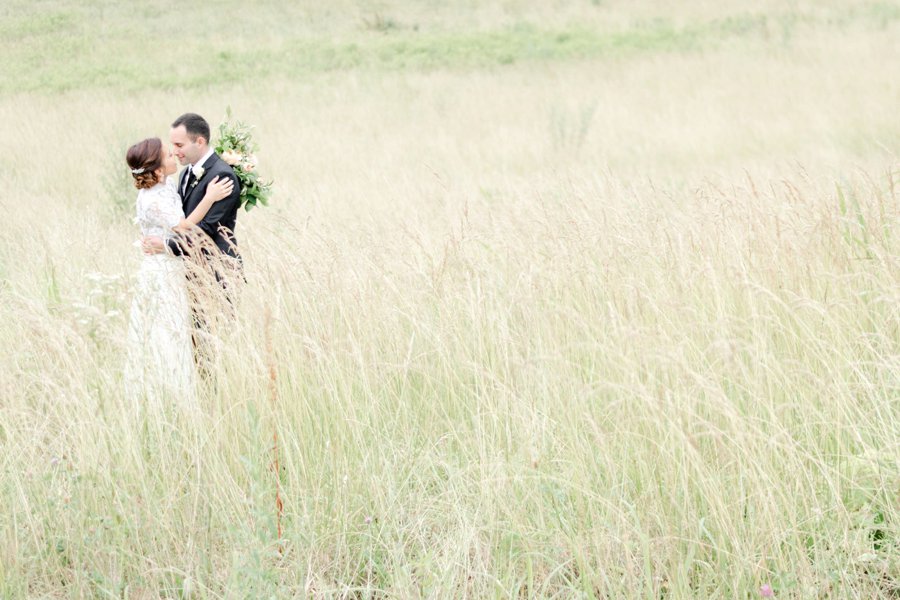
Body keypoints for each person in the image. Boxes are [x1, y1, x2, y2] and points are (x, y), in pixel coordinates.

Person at [123, 137, 233, 405]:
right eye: (167, 155)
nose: (173, 154)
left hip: (169, 264)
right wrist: (209, 197)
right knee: (165, 333)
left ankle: (179, 395)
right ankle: (166, 397)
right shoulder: (152, 199)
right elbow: (183, 226)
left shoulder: (165, 185)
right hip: (161, 273)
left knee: (176, 331)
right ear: (158, 170)